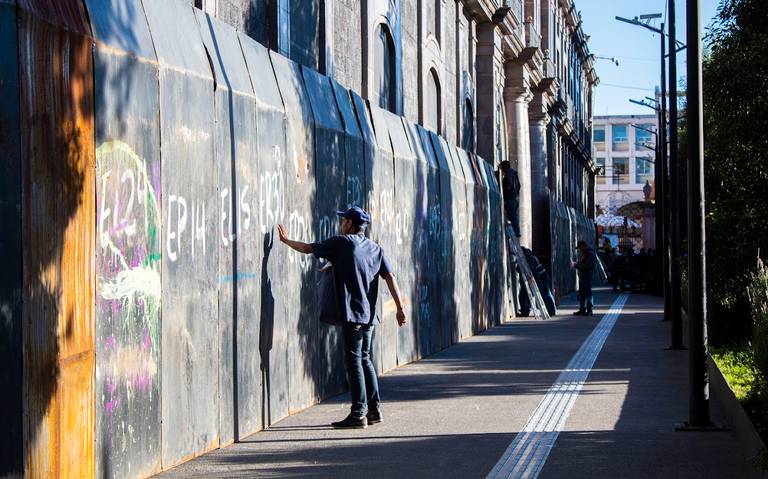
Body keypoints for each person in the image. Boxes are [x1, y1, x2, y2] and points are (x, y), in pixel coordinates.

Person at [277, 206, 406, 429]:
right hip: (368, 316)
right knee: (365, 359)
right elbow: (390, 277)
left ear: (349, 224)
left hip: (352, 314)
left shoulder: (342, 243)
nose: (341, 224)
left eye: (343, 220)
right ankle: (374, 410)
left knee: (354, 361)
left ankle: (358, 414)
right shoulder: (375, 248)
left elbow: (308, 248)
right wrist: (400, 307)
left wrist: (286, 241)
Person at [572, 240, 596, 316]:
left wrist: (576, 265)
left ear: (583, 246)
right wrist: (577, 264)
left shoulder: (590, 254)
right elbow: (583, 263)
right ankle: (582, 309)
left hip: (587, 276)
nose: (579, 250)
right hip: (583, 276)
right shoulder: (585, 253)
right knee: (582, 294)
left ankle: (589, 310)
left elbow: (588, 266)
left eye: (580, 248)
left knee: (588, 294)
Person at [499, 161, 521, 238]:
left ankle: (515, 233)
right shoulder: (514, 174)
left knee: (511, 216)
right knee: (514, 216)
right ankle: (516, 232)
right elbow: (519, 186)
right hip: (515, 198)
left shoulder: (508, 175)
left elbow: (507, 186)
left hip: (510, 199)